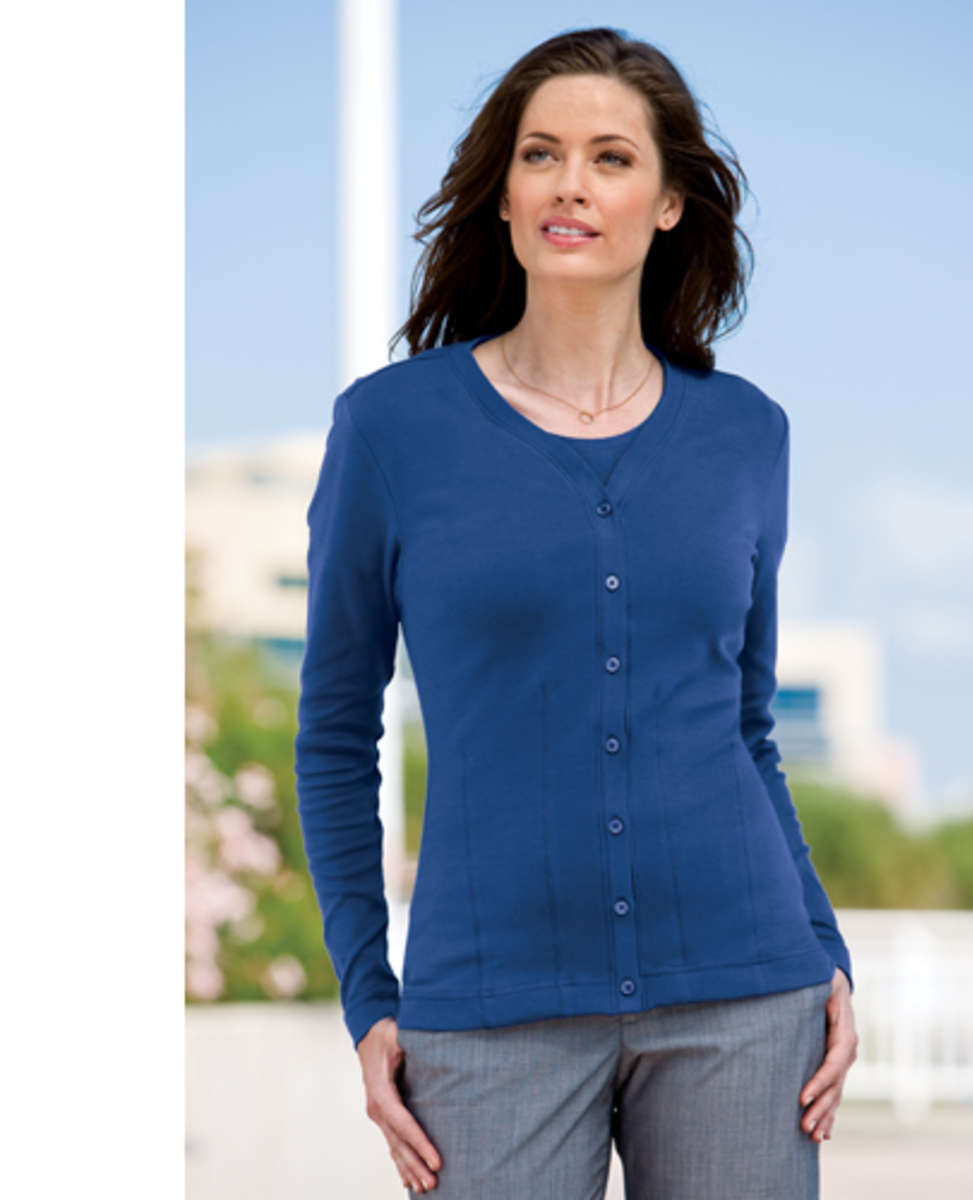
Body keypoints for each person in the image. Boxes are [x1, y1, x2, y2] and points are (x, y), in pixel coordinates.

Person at [294, 25, 858, 1199]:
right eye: (540, 154)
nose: (570, 184)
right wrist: (366, 993)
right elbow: (337, 731)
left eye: (611, 158)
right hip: (487, 1006)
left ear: (668, 203)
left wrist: (825, 949)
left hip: (748, 996)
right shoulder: (392, 430)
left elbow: (747, 729)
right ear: (503, 193)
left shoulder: (746, 434)